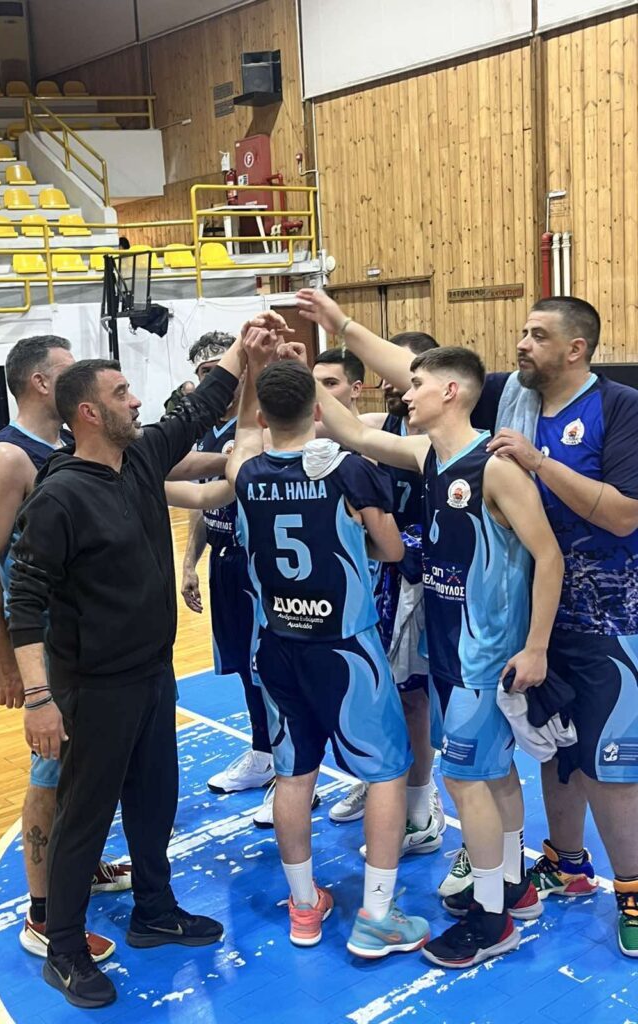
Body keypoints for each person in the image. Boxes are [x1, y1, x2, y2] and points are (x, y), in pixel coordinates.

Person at [297, 288, 638, 958]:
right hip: (475, 641)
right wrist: (323, 341)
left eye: (537, 334)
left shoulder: (529, 451)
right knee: (527, 765)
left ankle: (527, 911)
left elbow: (572, 543)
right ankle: (526, 879)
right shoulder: (460, 435)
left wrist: (534, 645)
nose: (522, 343)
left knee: (578, 767)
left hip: (557, 630)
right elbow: (366, 423)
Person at [310, 344, 563, 968]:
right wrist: (296, 370)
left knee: (465, 779)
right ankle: (512, 885)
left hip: (486, 655)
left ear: (450, 392)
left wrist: (536, 647)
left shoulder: (495, 468)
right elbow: (349, 431)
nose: (406, 392)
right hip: (448, 648)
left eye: (417, 382)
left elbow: (549, 556)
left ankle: (492, 920)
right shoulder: (429, 454)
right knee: (494, 775)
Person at [7, 344, 244, 1009]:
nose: (136, 400)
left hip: (152, 674)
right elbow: (23, 603)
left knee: (154, 798)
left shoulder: (139, 460)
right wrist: (38, 699)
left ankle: (154, 910)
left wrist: (244, 347)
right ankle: (64, 949)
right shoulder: (58, 496)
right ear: (88, 413)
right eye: (121, 393)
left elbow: (199, 409)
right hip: (94, 687)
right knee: (84, 817)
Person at [227, 326, 430, 959]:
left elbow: (243, 434)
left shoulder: (244, 472)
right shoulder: (350, 470)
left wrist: (252, 370)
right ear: (318, 410)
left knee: (293, 776)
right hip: (345, 647)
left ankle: (304, 906)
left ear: (265, 416)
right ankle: (376, 916)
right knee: (387, 774)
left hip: (277, 644)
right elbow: (391, 550)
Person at [0, 336, 123, 963]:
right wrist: (4, 660)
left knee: (86, 764)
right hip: (45, 648)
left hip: (84, 643)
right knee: (51, 768)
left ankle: (79, 864)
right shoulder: (7, 457)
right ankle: (42, 913)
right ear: (40, 382)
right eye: (68, 369)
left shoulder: (64, 446)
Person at [316, 344, 446, 858]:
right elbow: (333, 426)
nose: (396, 384)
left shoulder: (445, 439)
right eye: (394, 375)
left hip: (435, 580)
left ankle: (422, 798)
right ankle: (383, 781)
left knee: (420, 697)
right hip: (386, 575)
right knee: (382, 691)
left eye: (411, 376)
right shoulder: (377, 425)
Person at [181, 332, 275, 796]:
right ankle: (264, 752)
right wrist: (189, 564)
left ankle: (283, 758)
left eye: (226, 367)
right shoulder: (204, 431)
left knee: (266, 665)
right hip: (223, 560)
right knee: (240, 661)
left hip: (258, 562)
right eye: (206, 372)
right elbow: (202, 504)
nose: (219, 378)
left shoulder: (261, 425)